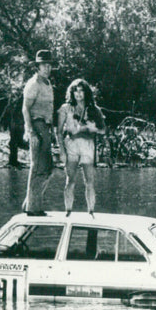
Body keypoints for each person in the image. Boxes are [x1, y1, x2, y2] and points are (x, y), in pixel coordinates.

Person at [57, 78, 106, 216]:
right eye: (75, 91)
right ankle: (68, 212)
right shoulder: (66, 109)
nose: (78, 94)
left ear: (86, 93)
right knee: (70, 180)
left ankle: (91, 212)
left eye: (81, 91)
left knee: (89, 181)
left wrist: (91, 128)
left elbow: (103, 130)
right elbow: (59, 131)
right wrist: (61, 150)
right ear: (71, 93)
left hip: (87, 147)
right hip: (71, 146)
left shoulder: (93, 109)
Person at [22, 50, 56, 216]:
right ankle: (32, 208)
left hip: (46, 127)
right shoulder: (33, 84)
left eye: (49, 65)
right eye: (44, 65)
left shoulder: (47, 84)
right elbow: (25, 108)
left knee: (48, 167)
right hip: (37, 125)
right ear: (37, 67)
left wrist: (53, 131)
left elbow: (50, 110)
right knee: (38, 166)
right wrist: (30, 132)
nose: (47, 68)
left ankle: (30, 203)